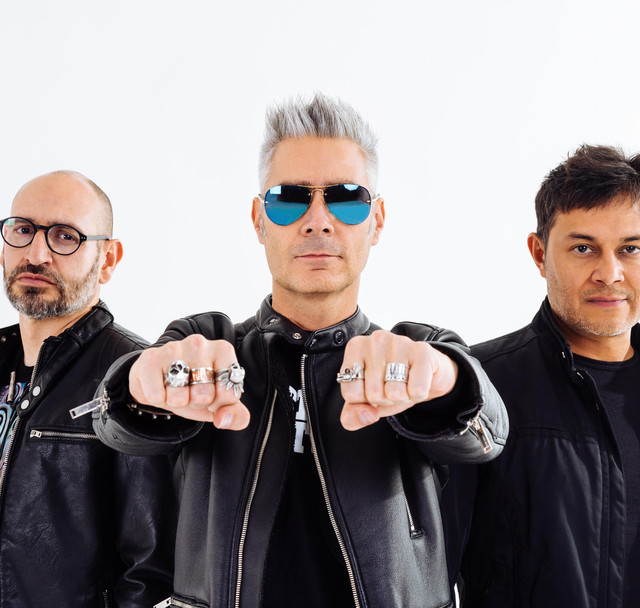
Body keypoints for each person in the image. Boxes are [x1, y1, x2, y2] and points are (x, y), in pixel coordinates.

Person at [92, 94, 508, 608]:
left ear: (377, 221)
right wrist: (137, 384)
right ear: (258, 219)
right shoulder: (209, 347)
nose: (318, 220)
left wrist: (445, 379)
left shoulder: (413, 353)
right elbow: (119, 424)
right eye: (289, 198)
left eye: (346, 198)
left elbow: (488, 431)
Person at [446, 145, 640, 607]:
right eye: (583, 248)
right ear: (539, 254)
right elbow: (425, 571)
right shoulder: (478, 387)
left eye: (630, 248)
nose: (610, 273)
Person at [0, 171, 176, 607]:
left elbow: (152, 572)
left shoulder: (134, 379)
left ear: (108, 259)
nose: (36, 254)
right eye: (22, 230)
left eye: (65, 236)